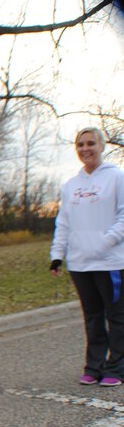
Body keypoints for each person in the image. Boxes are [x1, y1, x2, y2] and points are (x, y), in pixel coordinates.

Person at [50, 127, 124, 388]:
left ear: (102, 146)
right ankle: (94, 366)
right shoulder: (71, 185)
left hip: (110, 262)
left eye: (91, 143)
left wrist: (104, 242)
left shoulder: (116, 177)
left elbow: (123, 217)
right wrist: (57, 255)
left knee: (116, 317)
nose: (85, 149)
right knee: (92, 316)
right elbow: (64, 224)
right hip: (80, 263)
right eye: (80, 144)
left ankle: (116, 367)